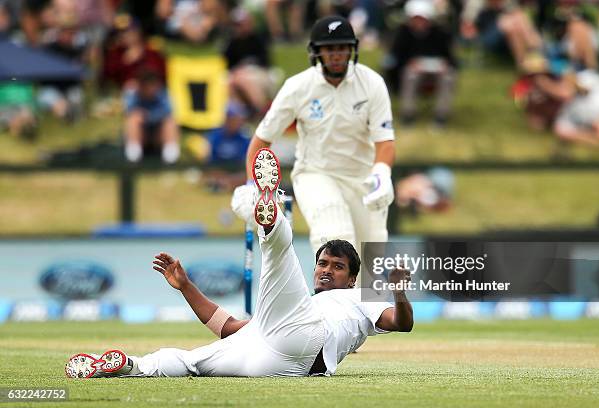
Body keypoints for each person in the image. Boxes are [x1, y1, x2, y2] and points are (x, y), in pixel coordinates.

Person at [65, 148, 413, 379]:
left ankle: (270, 214)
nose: (326, 269)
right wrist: (186, 287)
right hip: (272, 361)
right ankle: (128, 366)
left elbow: (401, 323)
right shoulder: (297, 304)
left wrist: (398, 292)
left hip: (309, 341)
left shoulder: (359, 297)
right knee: (191, 362)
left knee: (279, 253)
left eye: (337, 267)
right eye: (323, 263)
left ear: (353, 279)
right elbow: (227, 326)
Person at [243, 15, 396, 258]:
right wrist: (254, 186)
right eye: (329, 49)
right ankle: (330, 296)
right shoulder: (298, 87)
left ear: (352, 50)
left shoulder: (372, 83)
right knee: (336, 235)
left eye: (342, 48)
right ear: (316, 52)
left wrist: (381, 173)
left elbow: (385, 141)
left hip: (362, 178)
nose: (336, 55)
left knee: (371, 268)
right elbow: (262, 140)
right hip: (316, 174)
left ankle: (360, 296)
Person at [387, 0, 457, 126]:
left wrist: (445, 65)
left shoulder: (440, 34)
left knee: (448, 76)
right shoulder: (402, 34)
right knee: (410, 75)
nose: (419, 22)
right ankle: (408, 114)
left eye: (422, 18)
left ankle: (441, 116)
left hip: (436, 74)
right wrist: (410, 64)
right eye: (416, 18)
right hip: (411, 73)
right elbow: (395, 59)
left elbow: (451, 59)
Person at [123, 69, 180, 163]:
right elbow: (128, 111)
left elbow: (169, 112)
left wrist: (148, 116)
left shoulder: (164, 94)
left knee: (170, 122)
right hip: (142, 134)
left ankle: (171, 159)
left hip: (158, 134)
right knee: (133, 119)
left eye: (152, 85)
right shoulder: (133, 94)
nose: (149, 89)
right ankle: (133, 157)